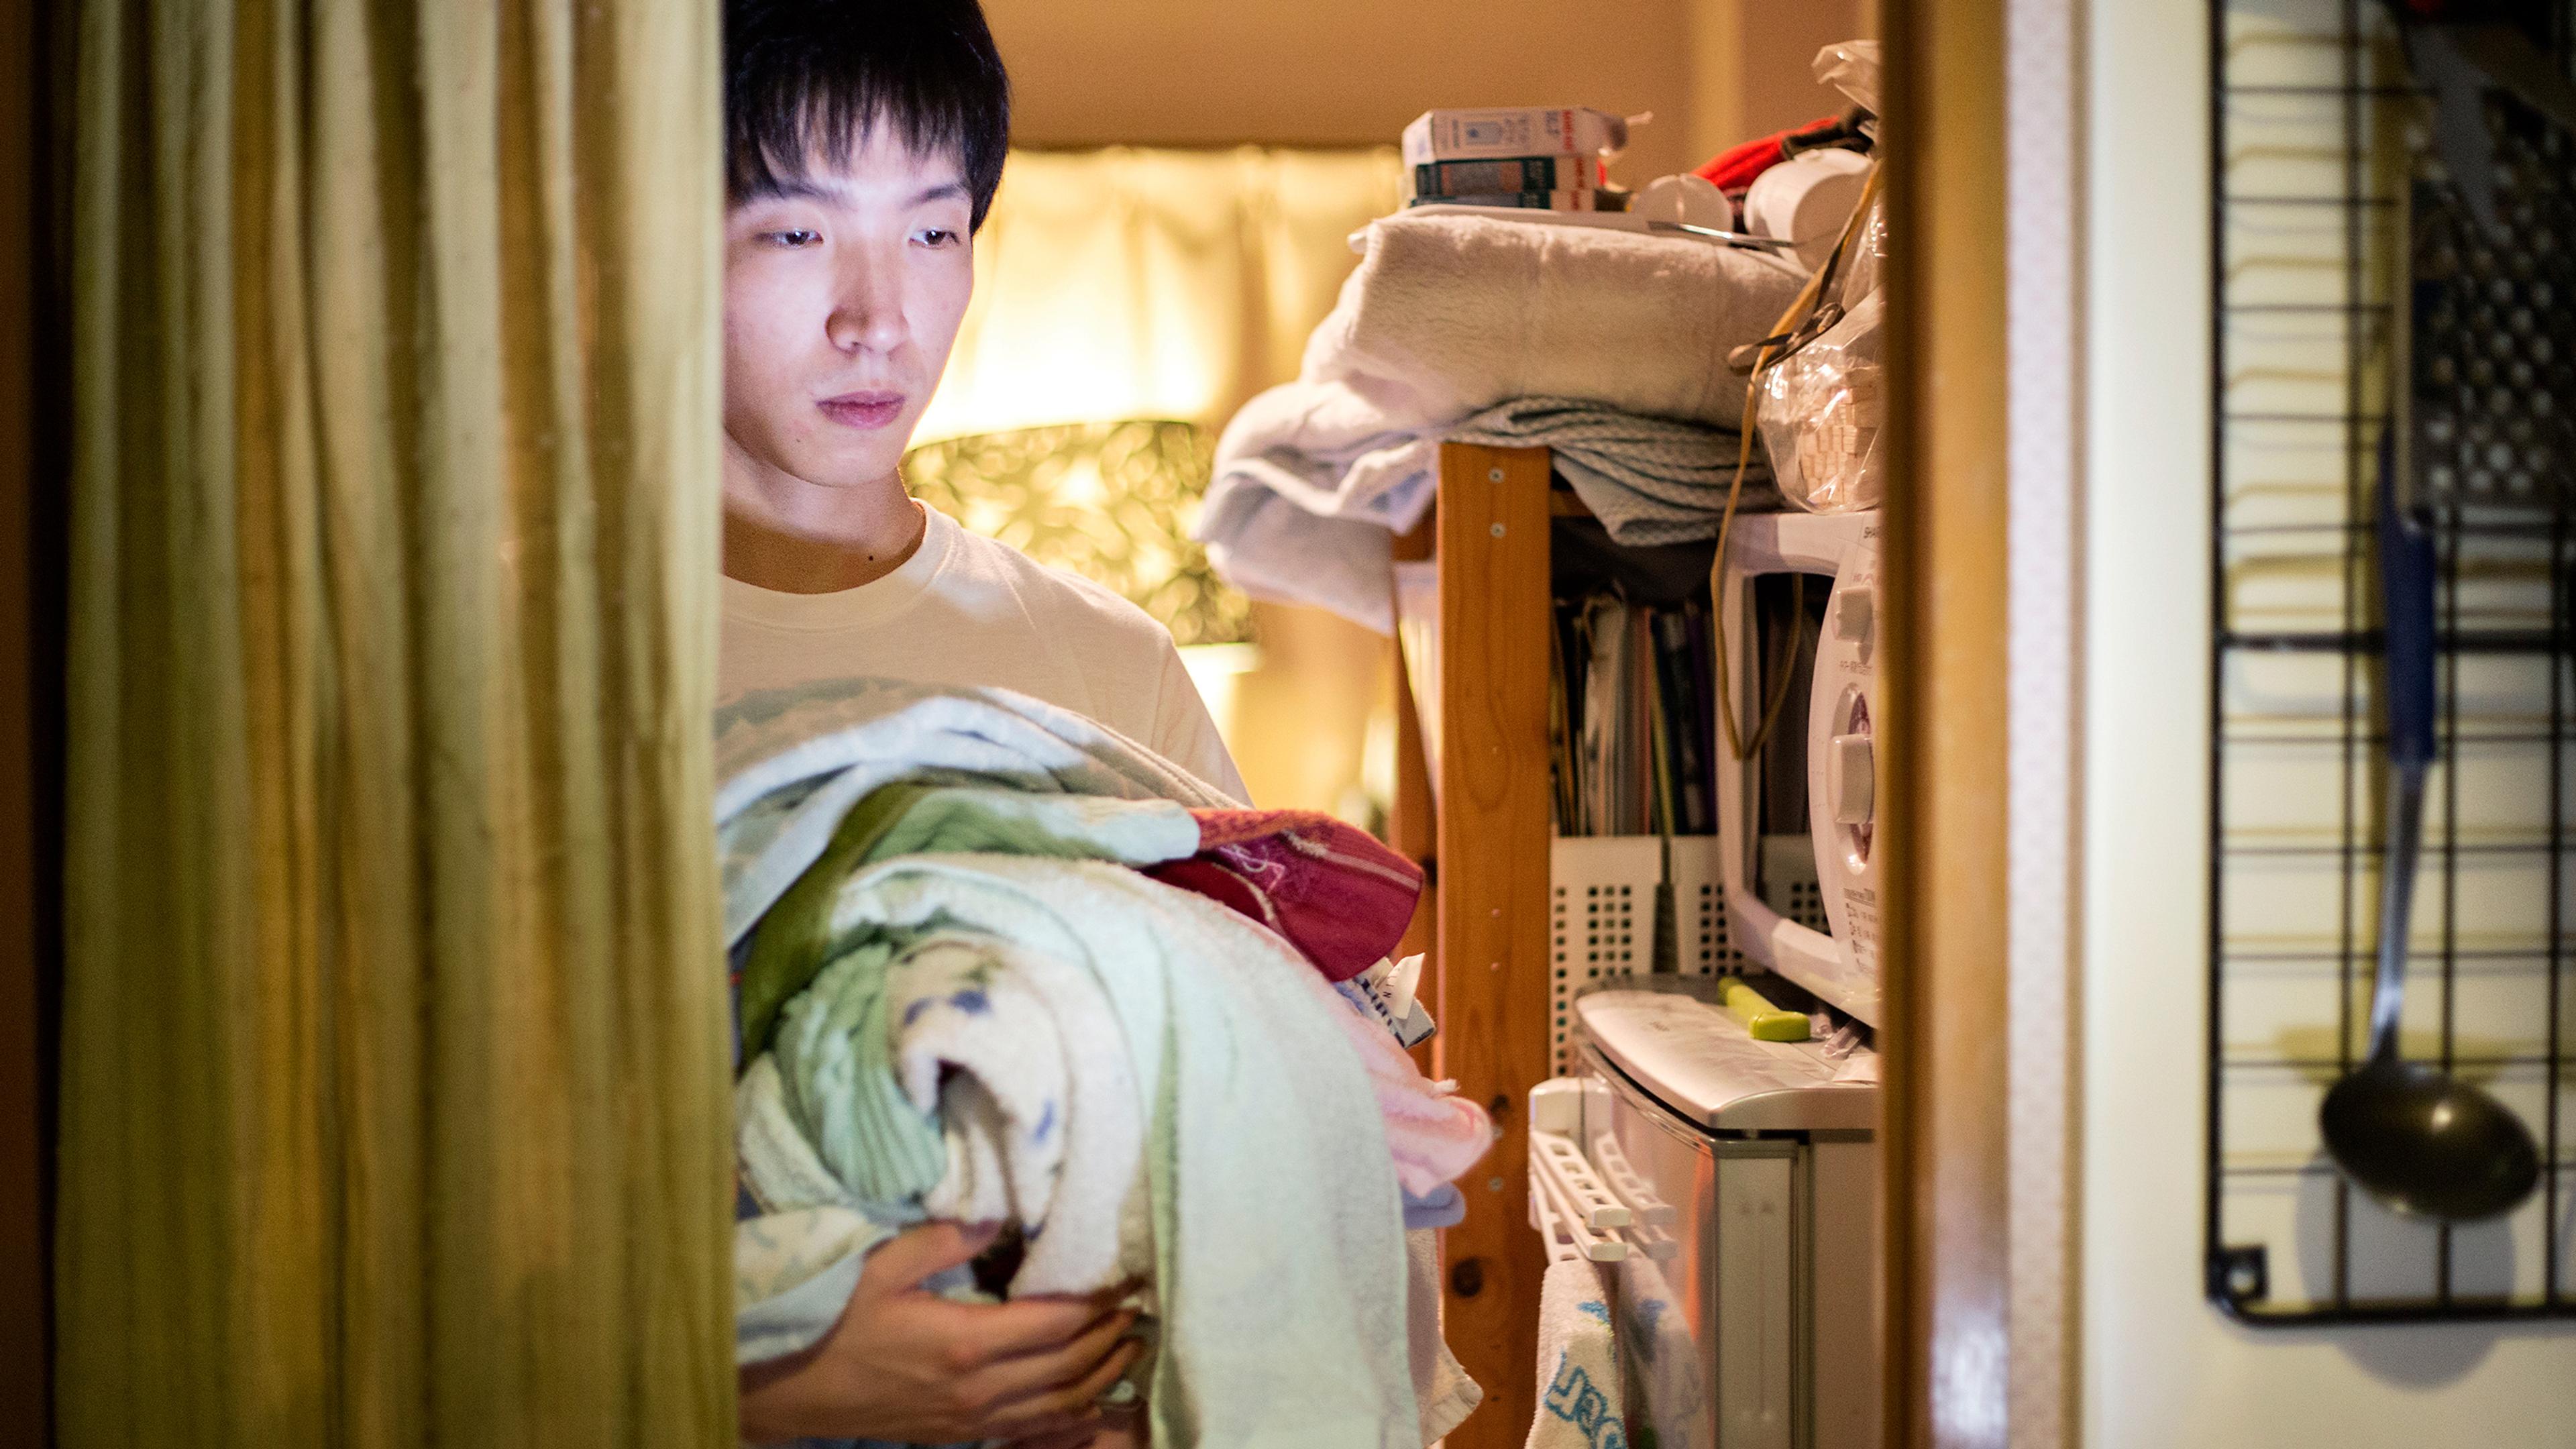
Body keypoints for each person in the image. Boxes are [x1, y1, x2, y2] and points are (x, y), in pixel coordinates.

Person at [720, 1, 1242, 1442]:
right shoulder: (548, 668)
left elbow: (1252, 1098)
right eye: (794, 232)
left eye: (933, 233)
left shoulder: (1104, 663)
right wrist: (767, 1389)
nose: (876, 314)